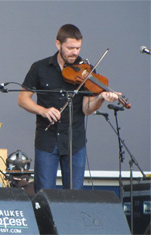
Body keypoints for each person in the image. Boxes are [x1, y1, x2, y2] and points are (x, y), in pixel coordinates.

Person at [17, 24, 120, 193]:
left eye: (78, 48)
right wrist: (43, 110)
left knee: (74, 195)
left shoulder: (87, 70)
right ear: (58, 44)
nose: (75, 52)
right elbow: (22, 99)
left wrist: (101, 98)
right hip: (47, 140)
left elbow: (87, 109)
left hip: (75, 141)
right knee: (44, 194)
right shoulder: (40, 68)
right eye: (70, 48)